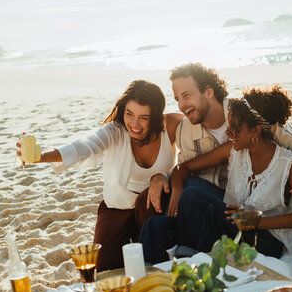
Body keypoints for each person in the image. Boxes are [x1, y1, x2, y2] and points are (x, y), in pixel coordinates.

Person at [140, 63, 292, 283]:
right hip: (229, 217)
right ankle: (147, 281)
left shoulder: (261, 128)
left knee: (192, 198)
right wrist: (172, 183)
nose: (229, 133)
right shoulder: (229, 146)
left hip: (264, 237)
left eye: (186, 95)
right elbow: (185, 167)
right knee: (156, 224)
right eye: (177, 98)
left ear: (256, 131)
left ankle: (191, 261)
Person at [18, 80, 183, 271]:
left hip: (153, 208)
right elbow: (85, 146)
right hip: (117, 208)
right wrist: (39, 157)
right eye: (129, 114)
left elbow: (192, 153)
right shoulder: (115, 130)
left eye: (143, 117)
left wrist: (164, 175)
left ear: (155, 116)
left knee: (152, 261)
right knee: (105, 270)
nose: (134, 124)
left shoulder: (171, 125)